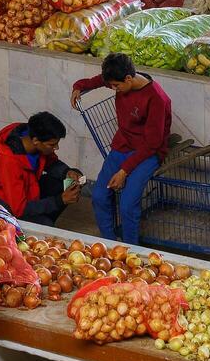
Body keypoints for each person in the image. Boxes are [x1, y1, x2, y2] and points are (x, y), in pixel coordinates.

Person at [70, 54, 171, 247]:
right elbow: (98, 80)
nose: (114, 90)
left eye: (116, 86)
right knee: (99, 196)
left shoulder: (156, 98)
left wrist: (124, 171)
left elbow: (152, 144)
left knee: (127, 204)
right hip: (122, 146)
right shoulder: (119, 79)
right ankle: (109, 245)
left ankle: (130, 250)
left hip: (148, 153)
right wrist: (79, 86)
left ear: (129, 79)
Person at [0, 113, 79, 226]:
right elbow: (19, 209)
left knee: (68, 180)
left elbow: (51, 162)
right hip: (10, 207)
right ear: (36, 141)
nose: (56, 148)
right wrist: (59, 201)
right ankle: (40, 222)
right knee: (47, 225)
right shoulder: (9, 163)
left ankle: (42, 217)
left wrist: (67, 172)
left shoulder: (33, 137)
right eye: (52, 145)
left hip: (30, 189)